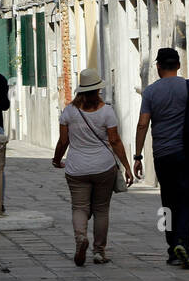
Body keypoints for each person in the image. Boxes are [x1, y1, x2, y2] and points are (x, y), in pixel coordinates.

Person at [134, 47, 189, 269]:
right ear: (178, 66)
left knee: (167, 203)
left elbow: (142, 124)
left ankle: (171, 249)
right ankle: (183, 244)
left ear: (158, 67)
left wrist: (138, 155)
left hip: (162, 155)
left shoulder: (150, 92)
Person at [53, 67, 133, 266]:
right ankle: (99, 251)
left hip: (76, 168)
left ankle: (81, 238)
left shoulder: (69, 112)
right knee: (101, 209)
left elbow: (63, 142)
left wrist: (56, 159)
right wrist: (127, 166)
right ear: (97, 90)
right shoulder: (106, 112)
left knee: (79, 207)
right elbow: (115, 141)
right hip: (103, 168)